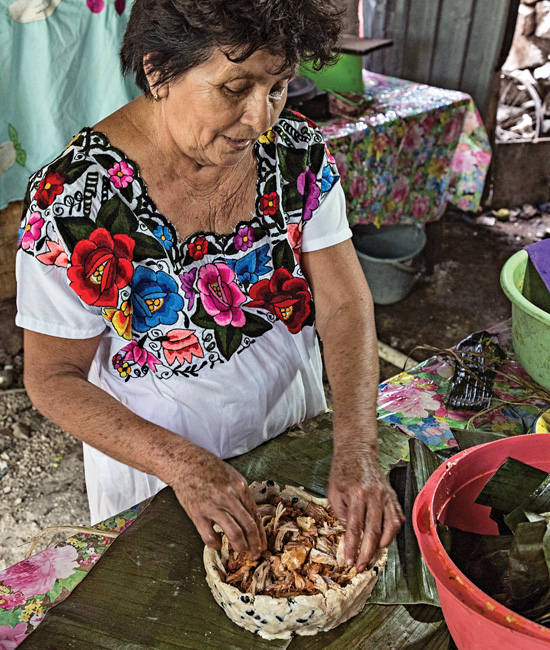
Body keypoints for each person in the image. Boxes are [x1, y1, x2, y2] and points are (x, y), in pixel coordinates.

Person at [15, 0, 403, 573]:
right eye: (235, 87)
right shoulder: (74, 205)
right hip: (157, 470)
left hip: (290, 422)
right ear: (158, 72)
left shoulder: (295, 153)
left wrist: (355, 448)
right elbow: (51, 378)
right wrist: (184, 466)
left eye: (278, 87)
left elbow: (344, 304)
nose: (261, 119)